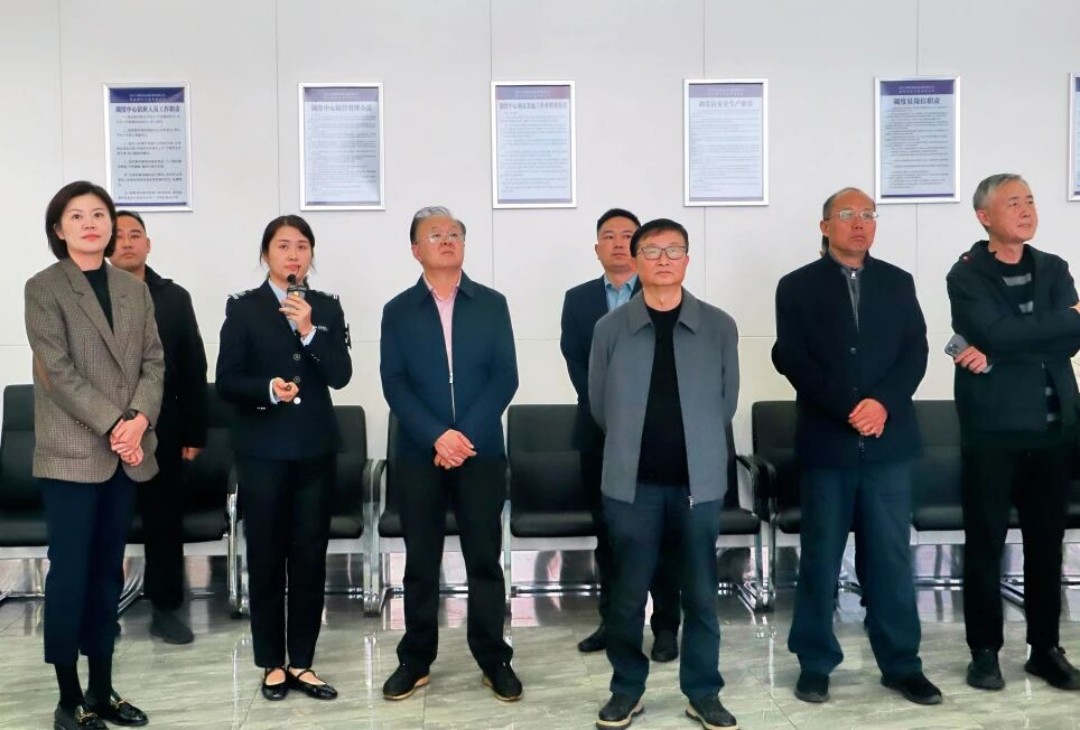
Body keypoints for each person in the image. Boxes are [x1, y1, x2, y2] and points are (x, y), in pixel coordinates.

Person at [773, 187, 941, 706]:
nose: (860, 222)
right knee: (820, 560)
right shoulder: (796, 286)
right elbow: (793, 358)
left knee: (890, 559)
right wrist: (851, 408)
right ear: (825, 226)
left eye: (868, 214)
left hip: (889, 445)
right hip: (828, 443)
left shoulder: (898, 281)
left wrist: (882, 404)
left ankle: (901, 664)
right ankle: (815, 662)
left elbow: (915, 352)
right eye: (847, 214)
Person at [589, 218, 738, 730]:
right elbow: (599, 406)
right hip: (632, 485)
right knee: (628, 596)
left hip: (699, 483)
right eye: (651, 251)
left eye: (674, 250)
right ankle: (626, 690)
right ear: (636, 261)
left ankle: (703, 691)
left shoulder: (718, 326)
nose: (663, 260)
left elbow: (726, 403)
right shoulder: (610, 329)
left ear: (687, 260)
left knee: (701, 595)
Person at [25, 181, 164, 730]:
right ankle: (69, 696)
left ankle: (102, 689)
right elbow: (57, 372)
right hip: (71, 453)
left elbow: (154, 362)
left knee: (109, 571)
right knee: (71, 574)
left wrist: (139, 421)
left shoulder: (133, 289)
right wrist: (116, 424)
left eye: (99, 214)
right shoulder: (44, 287)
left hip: (125, 452)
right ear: (58, 229)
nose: (90, 223)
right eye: (77, 215)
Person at [380, 206, 521, 703]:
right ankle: (415, 659)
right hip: (420, 454)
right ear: (415, 250)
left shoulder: (492, 304)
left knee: (484, 559)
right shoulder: (398, 310)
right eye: (435, 234)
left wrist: (462, 437)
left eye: (455, 233)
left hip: (480, 452)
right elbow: (394, 383)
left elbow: (506, 376)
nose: (447, 240)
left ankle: (493, 658)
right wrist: (438, 437)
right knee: (421, 560)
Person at [947, 173, 1080, 691]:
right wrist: (1047, 328)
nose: (1026, 211)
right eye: (1013, 204)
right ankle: (984, 652)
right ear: (985, 217)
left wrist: (1003, 349)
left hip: (1054, 429)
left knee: (1046, 545)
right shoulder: (966, 274)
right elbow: (994, 332)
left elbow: (1070, 341)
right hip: (993, 432)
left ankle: (1045, 649)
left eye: (1030, 201)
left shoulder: (1054, 267)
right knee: (985, 544)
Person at [216, 214, 352, 701]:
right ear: (266, 254)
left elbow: (341, 375)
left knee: (310, 555)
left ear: (311, 254)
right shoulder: (244, 307)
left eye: (302, 246)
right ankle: (272, 662)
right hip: (262, 451)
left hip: (315, 449)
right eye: (283, 246)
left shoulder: (326, 307)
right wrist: (269, 389)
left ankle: (303, 662)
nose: (293, 255)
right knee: (268, 554)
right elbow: (227, 380)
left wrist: (309, 330)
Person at [560, 208, 680, 660]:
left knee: (664, 535)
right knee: (609, 535)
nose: (617, 243)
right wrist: (615, 417)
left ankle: (665, 626)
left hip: (659, 437)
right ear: (597, 249)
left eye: (627, 235)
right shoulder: (577, 301)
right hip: (598, 434)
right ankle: (612, 623)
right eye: (608, 236)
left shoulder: (664, 294)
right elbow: (579, 365)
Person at [109, 210, 208, 644]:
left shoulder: (173, 297)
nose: (127, 242)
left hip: (162, 428)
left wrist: (194, 432)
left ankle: (166, 609)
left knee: (163, 522)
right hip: (102, 431)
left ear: (148, 244)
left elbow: (192, 366)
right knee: (105, 524)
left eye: (136, 235)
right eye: (119, 236)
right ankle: (102, 610)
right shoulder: (88, 294)